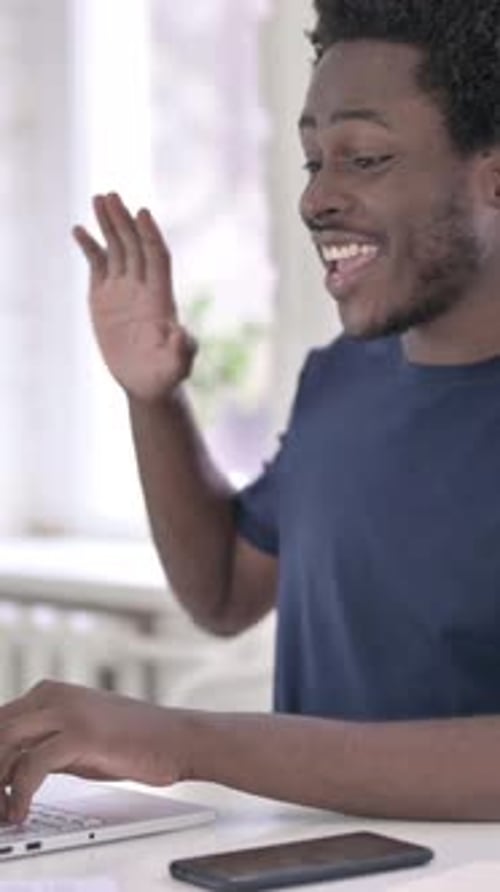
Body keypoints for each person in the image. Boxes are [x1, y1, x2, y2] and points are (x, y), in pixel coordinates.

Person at [3, 0, 500, 826]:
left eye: (366, 158)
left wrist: (180, 741)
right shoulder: (342, 378)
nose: (320, 198)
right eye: (313, 162)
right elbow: (224, 593)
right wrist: (153, 397)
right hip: (320, 870)